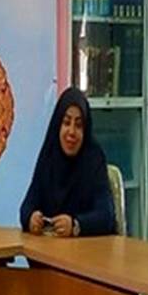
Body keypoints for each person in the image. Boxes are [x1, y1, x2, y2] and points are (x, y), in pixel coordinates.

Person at [20, 87, 115, 238]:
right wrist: (31, 218)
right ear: (58, 125)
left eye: (78, 125)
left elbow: (106, 215)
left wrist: (76, 225)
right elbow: (27, 206)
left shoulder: (94, 158)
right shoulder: (49, 155)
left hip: (87, 250)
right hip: (49, 249)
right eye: (66, 123)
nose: (71, 132)